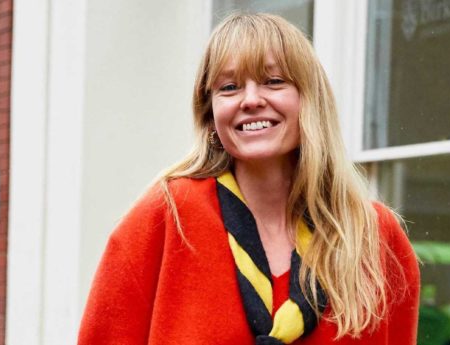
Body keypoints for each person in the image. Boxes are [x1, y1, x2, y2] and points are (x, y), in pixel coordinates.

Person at [78, 13, 420, 345]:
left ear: (310, 100)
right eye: (229, 87)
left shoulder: (375, 237)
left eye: (274, 81)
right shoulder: (165, 217)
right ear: (209, 113)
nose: (252, 100)